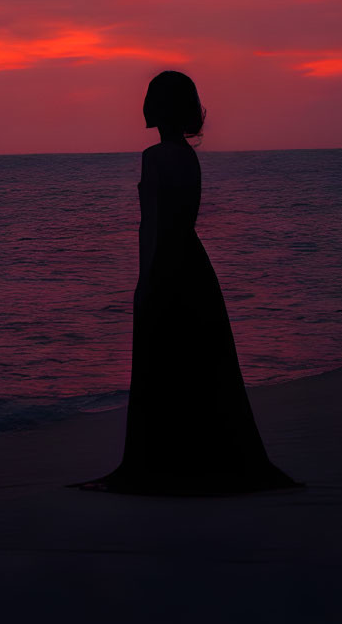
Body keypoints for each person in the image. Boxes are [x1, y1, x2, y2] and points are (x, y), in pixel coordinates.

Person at [77, 71, 299, 495]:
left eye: (150, 96)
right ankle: (199, 458)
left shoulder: (155, 156)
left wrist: (143, 282)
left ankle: (164, 461)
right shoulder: (186, 155)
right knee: (197, 363)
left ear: (161, 107)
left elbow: (152, 226)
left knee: (164, 360)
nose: (142, 103)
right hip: (195, 265)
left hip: (167, 265)